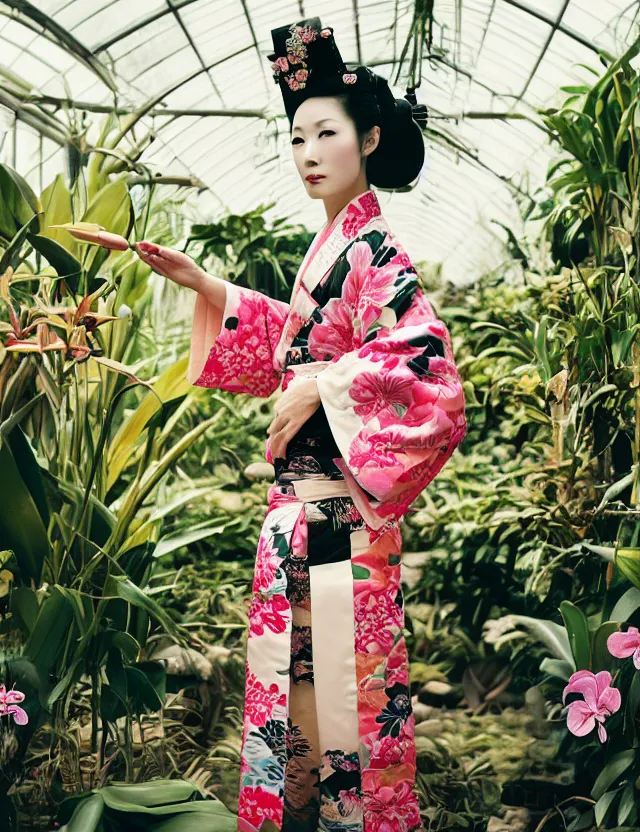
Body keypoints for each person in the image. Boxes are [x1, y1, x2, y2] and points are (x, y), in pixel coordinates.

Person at [134, 17, 467, 832]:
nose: (308, 150)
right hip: (302, 521)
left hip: (340, 526)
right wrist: (208, 284)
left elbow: (433, 379)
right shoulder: (333, 246)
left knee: (342, 715)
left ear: (370, 138)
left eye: (327, 132)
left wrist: (322, 381)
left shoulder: (377, 249)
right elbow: (297, 347)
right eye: (296, 136)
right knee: (303, 706)